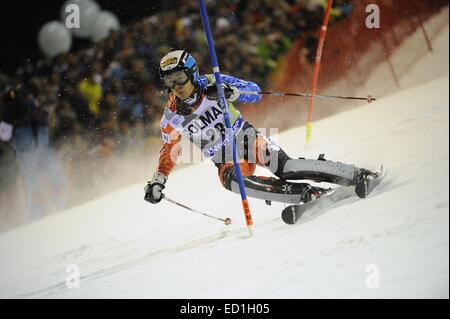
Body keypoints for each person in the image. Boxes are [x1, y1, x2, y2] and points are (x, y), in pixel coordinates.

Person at [144, 50, 376, 205]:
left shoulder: (213, 82)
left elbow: (254, 91)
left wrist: (232, 92)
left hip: (246, 138)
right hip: (225, 158)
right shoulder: (171, 115)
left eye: (180, 78)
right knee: (232, 182)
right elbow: (169, 149)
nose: (176, 86)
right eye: (169, 81)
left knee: (288, 168)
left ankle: (356, 174)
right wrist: (158, 180)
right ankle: (303, 194)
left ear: (192, 73)